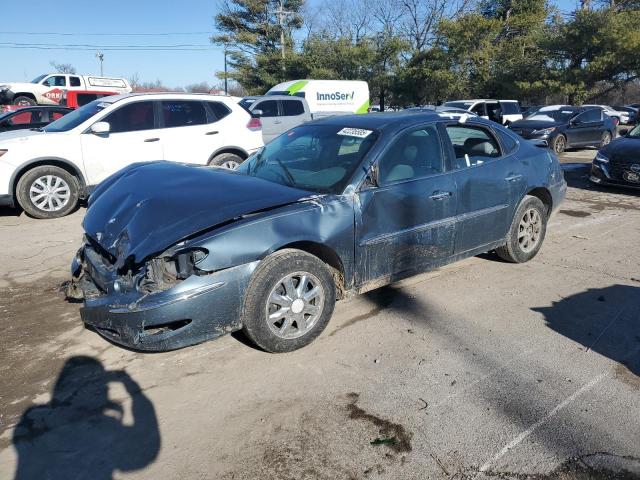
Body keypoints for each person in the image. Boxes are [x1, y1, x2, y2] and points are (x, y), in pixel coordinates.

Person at [13, 356, 160, 480]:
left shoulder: (38, 423)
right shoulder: (105, 431)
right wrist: (129, 383)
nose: (103, 391)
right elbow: (146, 451)